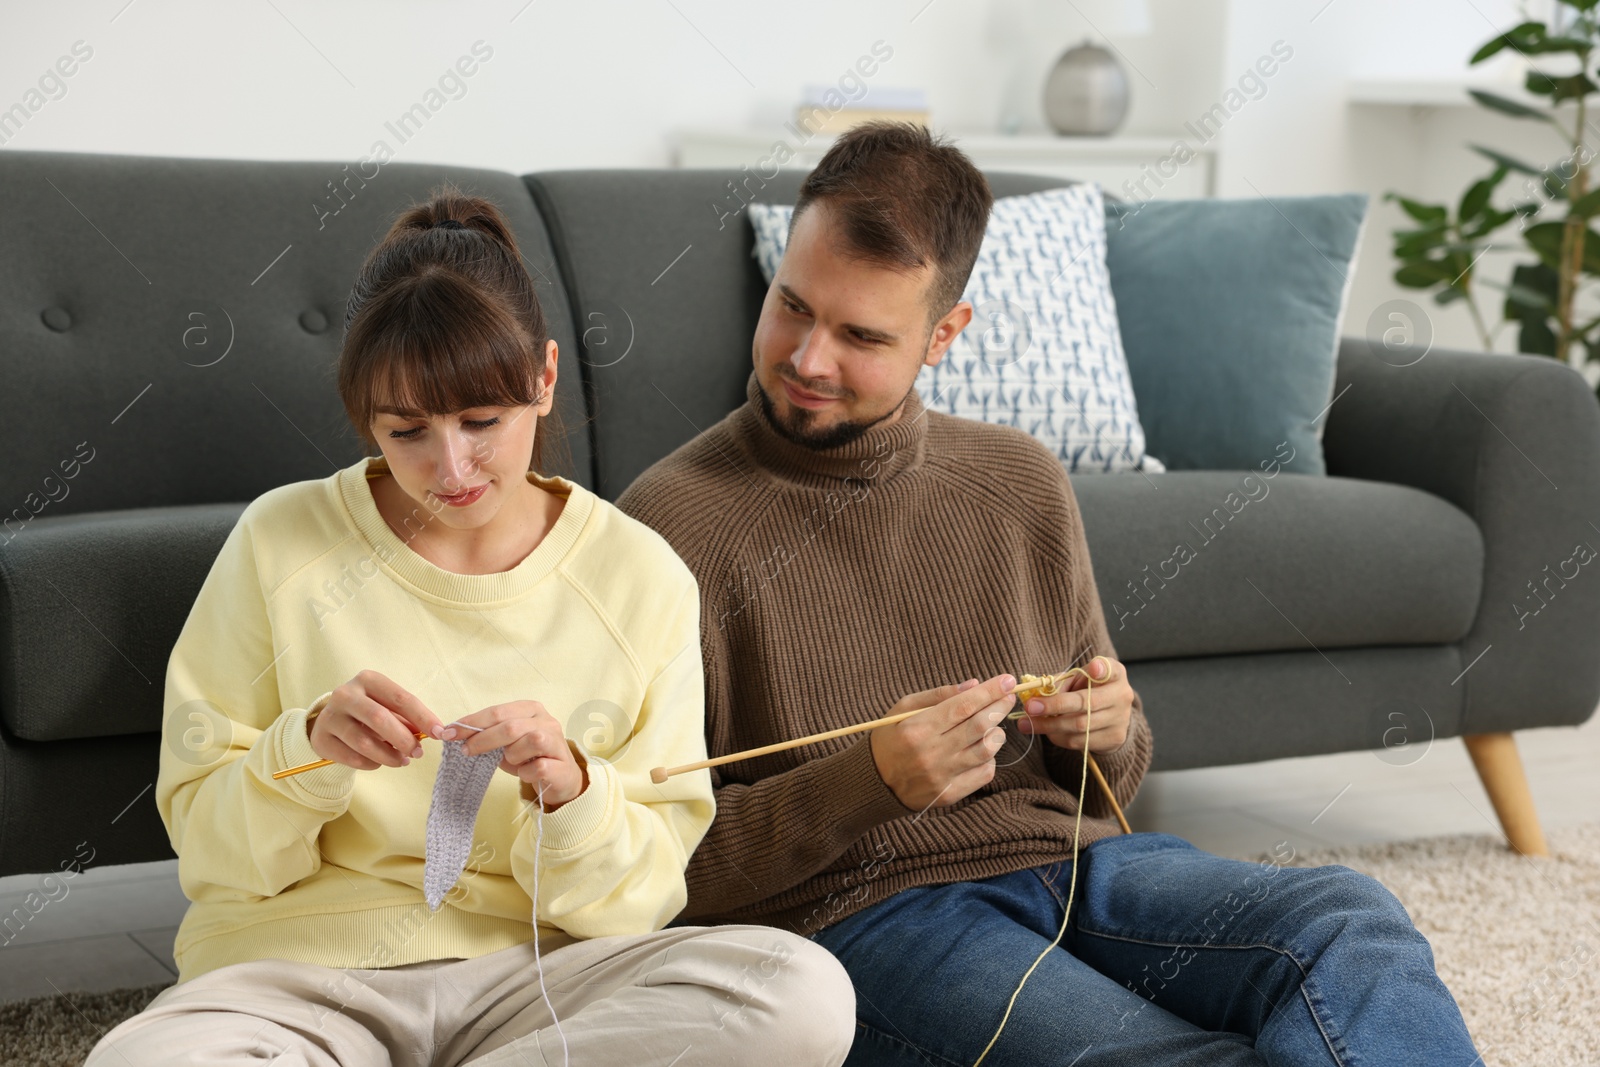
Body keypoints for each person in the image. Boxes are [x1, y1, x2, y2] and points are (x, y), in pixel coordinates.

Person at [615, 123, 1484, 1065]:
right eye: (793, 306)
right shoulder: (662, 526)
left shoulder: (1019, 480)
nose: (808, 358)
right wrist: (868, 780)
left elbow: (1114, 781)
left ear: (945, 334)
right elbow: (650, 872)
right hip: (865, 917)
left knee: (1353, 924)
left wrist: (1107, 729)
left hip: (1081, 868)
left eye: (862, 335)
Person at [85, 186, 855, 1067]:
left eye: (481, 421)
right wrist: (302, 754)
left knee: (799, 993)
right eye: (405, 430)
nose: (449, 468)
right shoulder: (278, 540)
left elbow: (639, 898)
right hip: (293, 976)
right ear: (364, 416)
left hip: (537, 985)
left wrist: (572, 793)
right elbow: (213, 854)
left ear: (544, 377)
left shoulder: (640, 576)